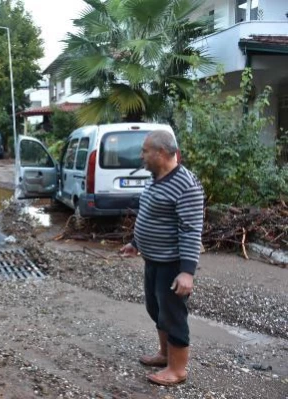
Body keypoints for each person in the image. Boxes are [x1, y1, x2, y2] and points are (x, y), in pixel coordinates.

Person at [120, 130, 204, 386]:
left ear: (162, 153)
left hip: (173, 265)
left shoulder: (186, 184)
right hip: (153, 260)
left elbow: (191, 231)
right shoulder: (156, 178)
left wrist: (187, 272)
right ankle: (165, 354)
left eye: (145, 151)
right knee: (156, 309)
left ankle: (177, 370)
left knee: (173, 315)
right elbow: (151, 215)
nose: (141, 155)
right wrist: (136, 243)